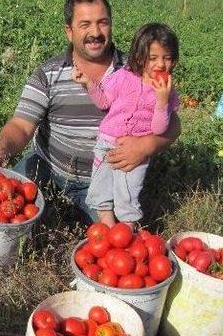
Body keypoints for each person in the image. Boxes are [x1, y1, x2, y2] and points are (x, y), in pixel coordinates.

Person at [0, 0, 180, 223]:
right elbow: (21, 125)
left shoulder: (136, 69)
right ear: (69, 31)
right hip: (47, 168)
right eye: (85, 25)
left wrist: (146, 145)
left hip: (105, 176)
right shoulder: (49, 73)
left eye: (102, 22)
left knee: (114, 242)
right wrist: (0, 148)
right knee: (0, 209)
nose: (95, 32)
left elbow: (173, 124)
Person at [73, 23, 180, 226]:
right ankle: (108, 229)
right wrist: (88, 83)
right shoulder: (123, 76)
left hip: (135, 152)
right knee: (100, 191)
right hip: (106, 144)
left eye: (167, 58)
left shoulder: (167, 91)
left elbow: (159, 129)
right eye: (153, 58)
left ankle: (127, 231)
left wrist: (162, 101)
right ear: (140, 57)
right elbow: (104, 101)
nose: (160, 65)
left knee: (127, 196)